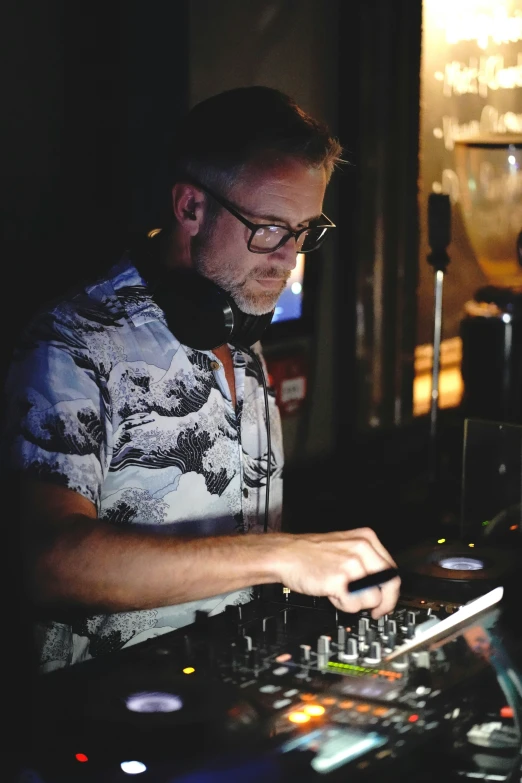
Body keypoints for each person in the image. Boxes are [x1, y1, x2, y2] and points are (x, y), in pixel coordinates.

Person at [2, 86, 400, 673]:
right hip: (110, 727)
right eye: (268, 227)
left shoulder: (243, 337)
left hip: (233, 703)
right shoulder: (73, 343)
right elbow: (47, 562)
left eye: (303, 231)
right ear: (190, 207)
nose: (288, 258)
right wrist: (280, 557)